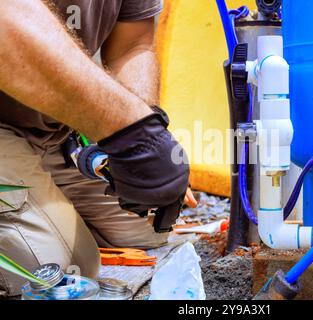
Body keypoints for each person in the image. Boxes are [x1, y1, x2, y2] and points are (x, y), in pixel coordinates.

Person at [0, 0, 193, 297]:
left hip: (58, 125)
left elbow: (133, 47)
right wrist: (131, 132)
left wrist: (143, 141)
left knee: (146, 229)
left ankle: (41, 199)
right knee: (59, 270)